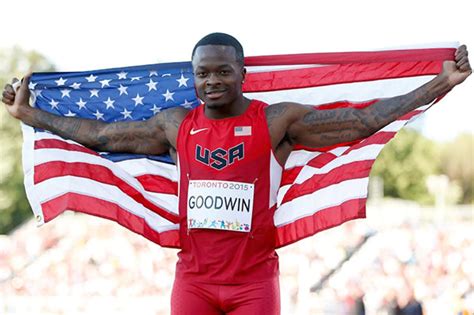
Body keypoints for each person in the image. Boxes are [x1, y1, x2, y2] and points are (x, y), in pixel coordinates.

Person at [2, 33, 471, 314]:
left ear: (243, 72)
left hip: (253, 283)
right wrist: (32, 116)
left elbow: (363, 120)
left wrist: (437, 83)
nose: (211, 82)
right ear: (193, 77)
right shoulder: (175, 124)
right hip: (194, 280)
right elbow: (102, 135)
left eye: (222, 72)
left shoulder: (274, 121)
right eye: (202, 74)